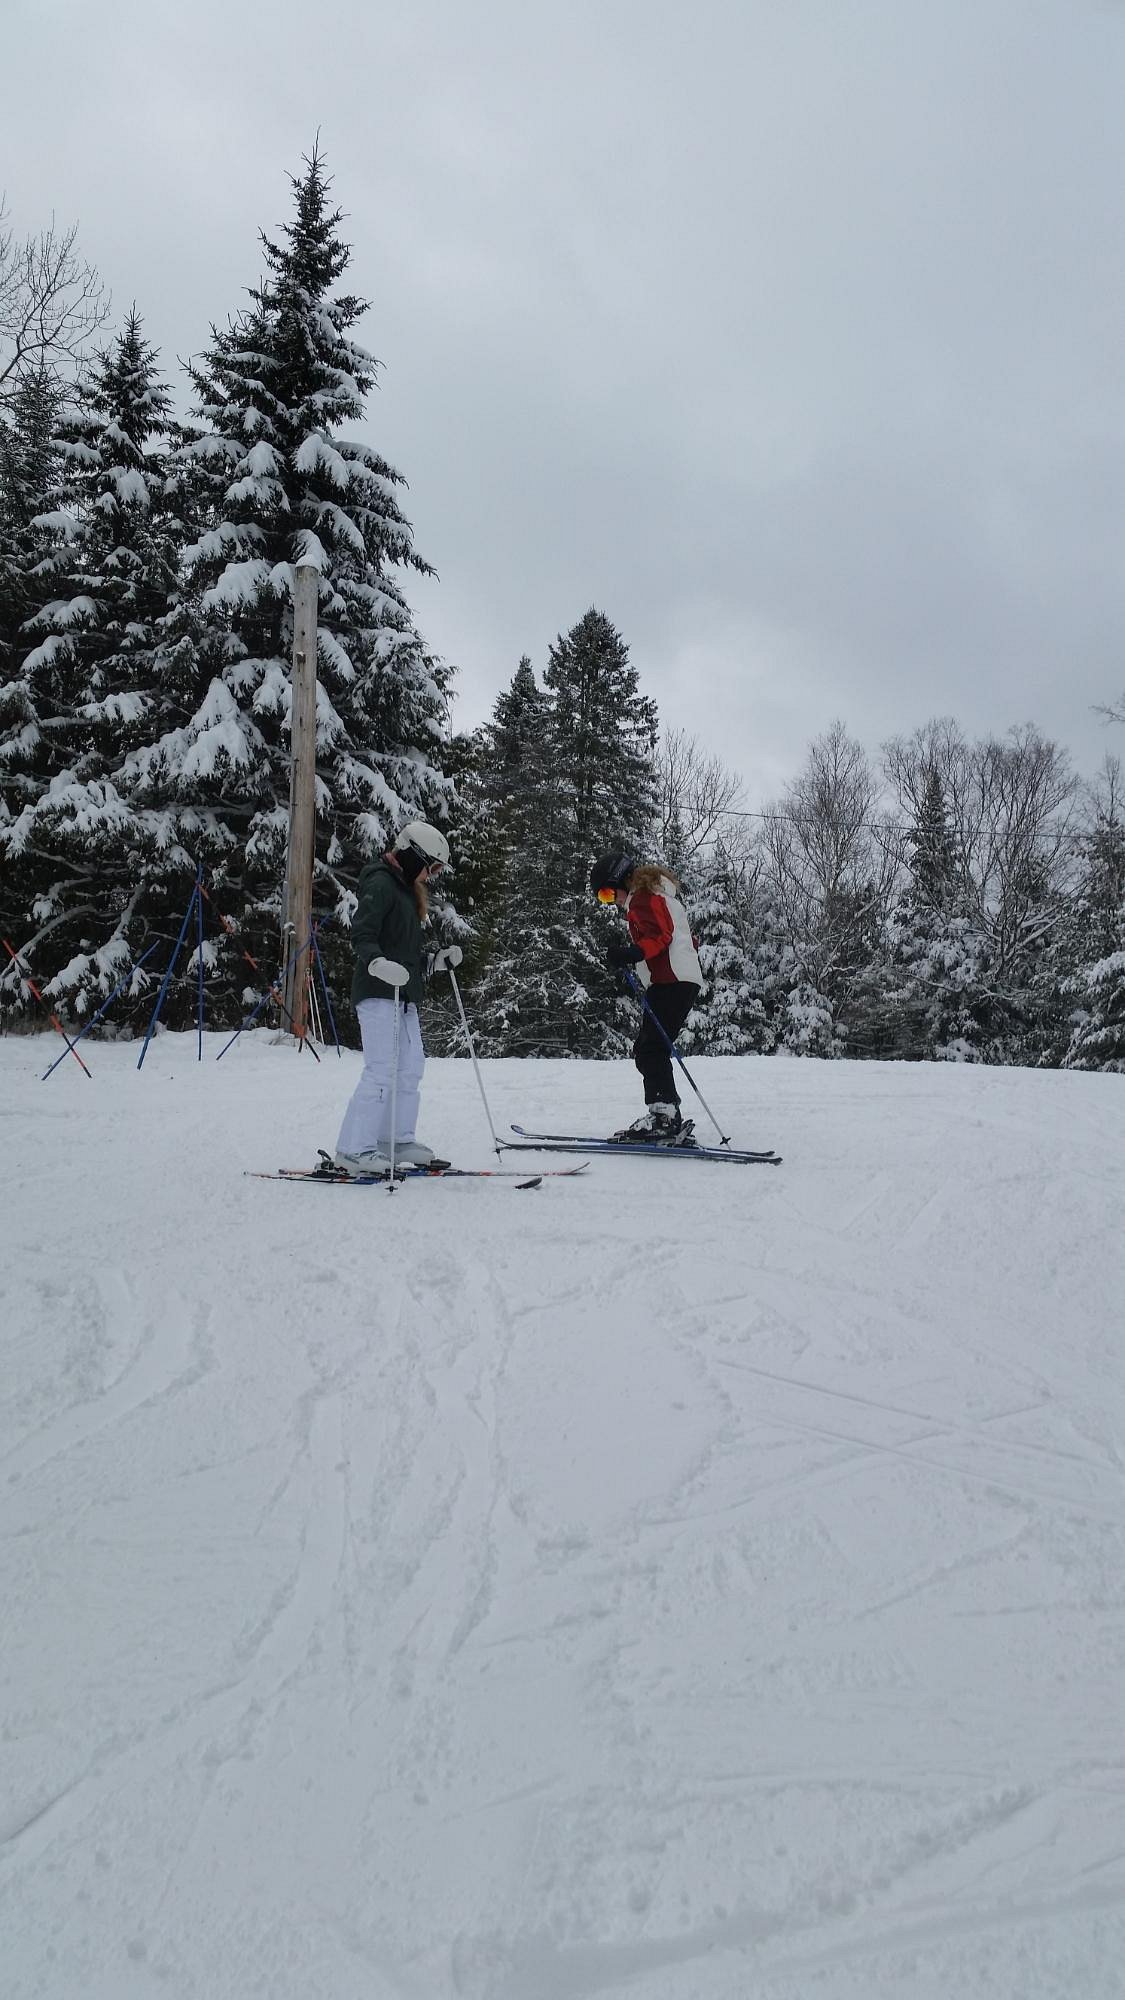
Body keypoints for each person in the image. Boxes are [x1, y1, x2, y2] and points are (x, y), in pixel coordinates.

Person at [334, 821, 461, 1176]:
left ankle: (395, 1138)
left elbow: (405, 953)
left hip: (403, 993)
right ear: (411, 856)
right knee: (381, 1069)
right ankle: (353, 1149)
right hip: (378, 992)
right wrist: (377, 962)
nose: (432, 875)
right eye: (431, 866)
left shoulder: (405, 890)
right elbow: (363, 934)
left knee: (410, 1069)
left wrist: (435, 961)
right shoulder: (380, 883)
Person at [589, 851, 703, 1142]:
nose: (610, 901)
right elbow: (683, 937)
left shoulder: (642, 898)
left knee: (650, 1049)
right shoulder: (660, 895)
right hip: (678, 979)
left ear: (619, 881)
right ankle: (666, 1112)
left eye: (606, 893)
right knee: (650, 1047)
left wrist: (634, 952)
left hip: (671, 980)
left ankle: (664, 1116)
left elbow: (661, 935)